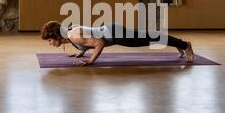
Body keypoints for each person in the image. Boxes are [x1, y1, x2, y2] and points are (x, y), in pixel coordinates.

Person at [41, 21, 194, 66]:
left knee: (149, 38)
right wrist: (81, 52)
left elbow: (99, 43)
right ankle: (178, 44)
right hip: (112, 30)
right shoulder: (70, 35)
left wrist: (90, 60)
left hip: (115, 34)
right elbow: (89, 38)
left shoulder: (74, 36)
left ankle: (185, 45)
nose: (49, 43)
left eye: (49, 40)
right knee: (149, 37)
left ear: (56, 36)